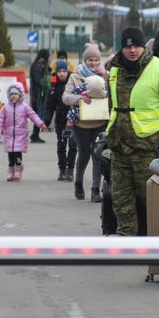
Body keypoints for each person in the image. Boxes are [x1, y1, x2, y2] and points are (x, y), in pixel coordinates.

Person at [106, 27, 159, 235]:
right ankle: (125, 239)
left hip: (148, 147)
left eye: (136, 46)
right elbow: (113, 104)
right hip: (120, 147)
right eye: (128, 46)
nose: (132, 50)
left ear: (143, 46)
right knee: (121, 199)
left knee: (154, 199)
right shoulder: (114, 69)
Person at [62, 43, 108, 201]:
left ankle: (96, 189)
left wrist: (106, 76)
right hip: (81, 123)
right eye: (90, 60)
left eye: (96, 60)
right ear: (85, 60)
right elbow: (65, 97)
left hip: (100, 121)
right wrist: (80, 98)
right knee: (84, 154)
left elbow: (113, 93)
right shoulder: (75, 76)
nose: (93, 63)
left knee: (98, 156)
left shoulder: (105, 75)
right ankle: (78, 182)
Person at [0, 82, 47, 181]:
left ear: (20, 95)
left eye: (15, 94)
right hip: (9, 135)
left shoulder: (24, 107)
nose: (13, 96)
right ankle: (11, 170)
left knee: (17, 154)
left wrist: (40, 123)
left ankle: (18, 168)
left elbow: (33, 115)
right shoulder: (5, 108)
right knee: (11, 155)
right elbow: (0, 121)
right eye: (11, 94)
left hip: (20, 135)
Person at [44, 60, 77, 181]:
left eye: (64, 71)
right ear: (56, 72)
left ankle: (70, 169)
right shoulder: (53, 87)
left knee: (73, 145)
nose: (62, 74)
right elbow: (49, 106)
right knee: (61, 145)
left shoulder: (73, 83)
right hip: (60, 120)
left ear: (67, 71)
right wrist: (46, 121)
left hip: (73, 119)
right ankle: (62, 169)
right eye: (59, 71)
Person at [29, 49, 50, 143]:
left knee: (38, 113)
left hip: (36, 93)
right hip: (38, 94)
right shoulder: (39, 65)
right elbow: (38, 80)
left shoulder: (36, 64)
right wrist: (47, 81)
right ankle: (35, 135)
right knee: (39, 113)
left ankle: (35, 134)